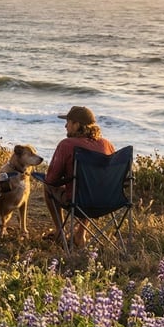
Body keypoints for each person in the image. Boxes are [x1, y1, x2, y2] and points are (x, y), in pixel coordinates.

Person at [43, 106, 115, 247]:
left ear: (77, 125)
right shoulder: (106, 144)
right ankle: (80, 234)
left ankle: (60, 231)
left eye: (68, 122)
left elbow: (51, 179)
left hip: (78, 201)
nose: (65, 126)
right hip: (107, 201)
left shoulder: (67, 145)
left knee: (48, 186)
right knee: (91, 187)